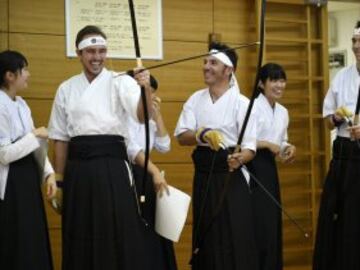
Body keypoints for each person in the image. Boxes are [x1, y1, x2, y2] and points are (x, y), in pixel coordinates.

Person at [48, 25, 153, 270]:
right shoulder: (66, 88)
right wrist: (60, 179)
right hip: (79, 168)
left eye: (102, 51)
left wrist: (145, 88)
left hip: (112, 167)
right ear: (79, 54)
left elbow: (140, 116)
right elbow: (60, 138)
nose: (97, 57)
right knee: (80, 229)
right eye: (91, 51)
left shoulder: (121, 81)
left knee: (116, 229)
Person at [174, 42, 258, 270]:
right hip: (204, 175)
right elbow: (182, 136)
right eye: (205, 62)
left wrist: (239, 159)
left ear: (228, 70)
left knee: (234, 234)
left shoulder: (243, 104)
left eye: (213, 63)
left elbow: (250, 148)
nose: (206, 67)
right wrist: (202, 133)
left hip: (230, 175)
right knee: (206, 235)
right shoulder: (195, 99)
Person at [0, 50, 57, 269]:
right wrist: (33, 136)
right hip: (11, 184)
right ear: (9, 75)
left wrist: (49, 173)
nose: (28, 74)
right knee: (16, 243)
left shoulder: (22, 104)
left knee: (32, 241)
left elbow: (36, 144)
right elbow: (4, 155)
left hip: (28, 180)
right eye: (24, 69)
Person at [313, 21, 360, 270]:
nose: (356, 46)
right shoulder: (342, 77)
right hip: (342, 155)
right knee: (336, 216)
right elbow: (327, 122)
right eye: (354, 41)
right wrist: (336, 118)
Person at [126, 73, 177, 270]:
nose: (149, 100)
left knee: (154, 230)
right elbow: (131, 149)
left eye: (152, 95)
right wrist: (155, 171)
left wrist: (157, 116)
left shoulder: (150, 117)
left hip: (147, 176)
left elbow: (165, 146)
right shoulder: (125, 115)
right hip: (131, 175)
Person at [247, 63, 296, 270]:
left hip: (270, 169)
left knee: (272, 223)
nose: (280, 85)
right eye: (274, 80)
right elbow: (243, 142)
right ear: (261, 83)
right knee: (259, 224)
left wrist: (288, 148)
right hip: (252, 167)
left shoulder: (283, 112)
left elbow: (281, 140)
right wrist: (268, 144)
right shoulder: (251, 107)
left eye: (282, 80)